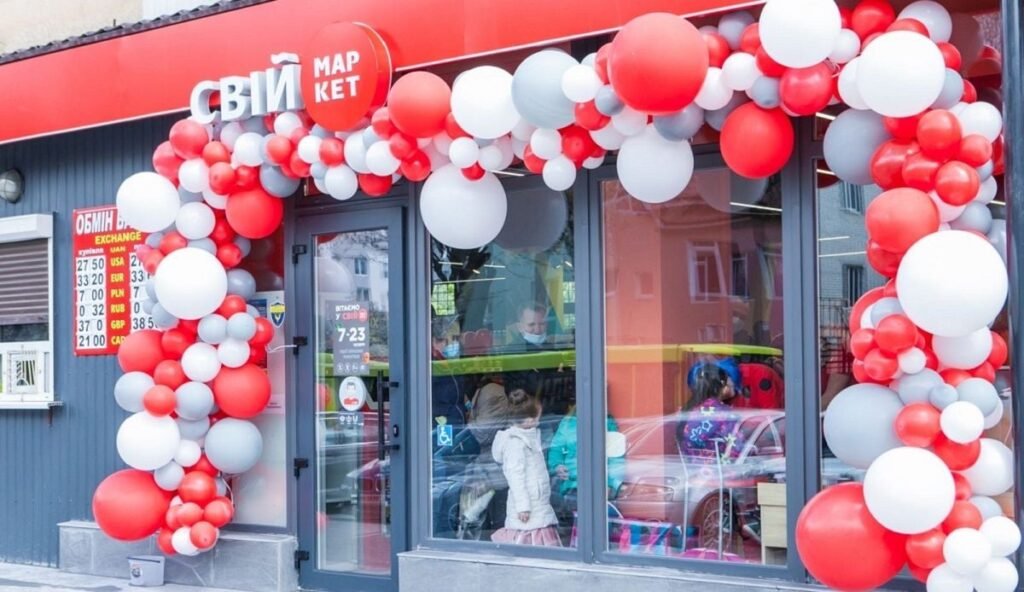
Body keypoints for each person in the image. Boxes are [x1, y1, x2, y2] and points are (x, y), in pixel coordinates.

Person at [490, 389, 561, 546]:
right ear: (529, 420)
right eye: (538, 417)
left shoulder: (529, 438)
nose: (539, 420)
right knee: (530, 543)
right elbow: (515, 477)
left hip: (537, 503)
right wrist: (523, 507)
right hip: (528, 507)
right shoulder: (515, 443)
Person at [548, 406, 626, 508]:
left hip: (600, 486)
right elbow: (556, 449)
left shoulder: (608, 423)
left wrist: (610, 484)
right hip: (572, 486)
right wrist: (557, 465)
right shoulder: (568, 423)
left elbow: (616, 459)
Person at [676, 361, 745, 461]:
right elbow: (736, 451)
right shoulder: (726, 414)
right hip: (717, 469)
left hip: (689, 468)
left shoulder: (685, 411)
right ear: (723, 385)